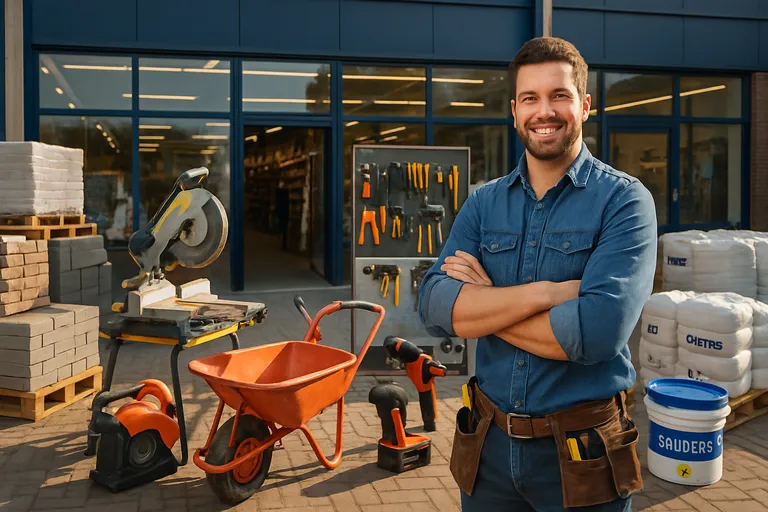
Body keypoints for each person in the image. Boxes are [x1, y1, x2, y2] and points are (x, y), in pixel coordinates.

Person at [418, 37, 657, 511]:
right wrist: (547, 293)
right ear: (514, 111)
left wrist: (487, 303)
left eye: (559, 96)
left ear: (585, 105)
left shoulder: (625, 203)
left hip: (582, 453)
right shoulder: (485, 203)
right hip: (487, 450)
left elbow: (595, 335)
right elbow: (434, 305)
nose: (543, 111)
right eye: (530, 98)